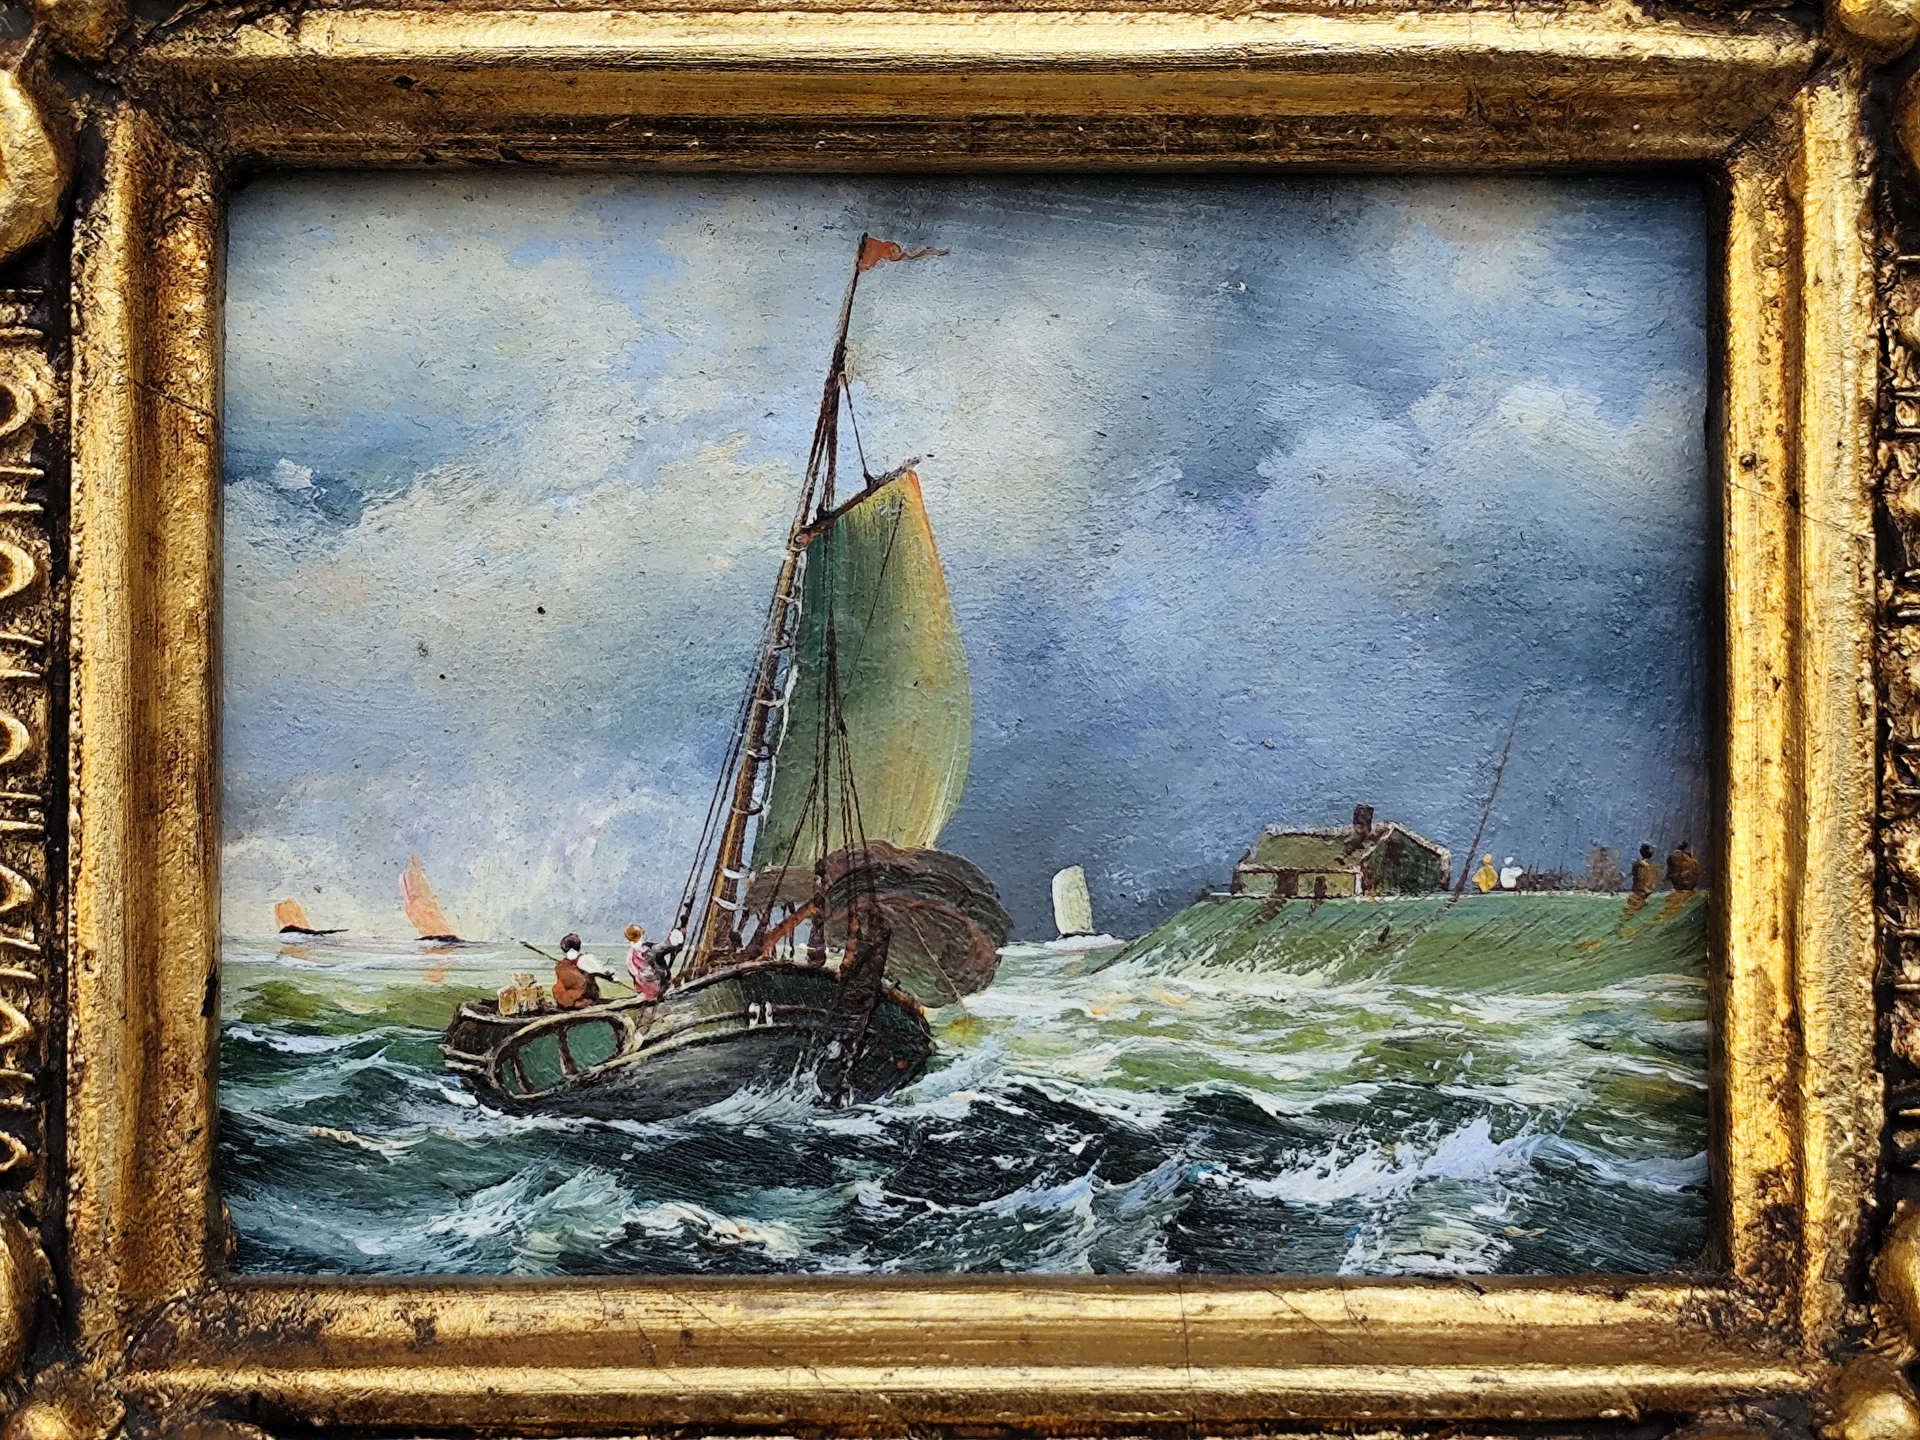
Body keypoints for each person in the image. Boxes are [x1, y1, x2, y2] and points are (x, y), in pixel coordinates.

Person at [552, 931, 608, 1010]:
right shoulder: (585, 959)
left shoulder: (560, 965)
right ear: (578, 946)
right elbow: (602, 971)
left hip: (563, 1001)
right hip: (582, 999)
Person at [626, 923, 670, 1001]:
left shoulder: (632, 952)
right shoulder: (644, 948)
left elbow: (630, 966)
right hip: (648, 976)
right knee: (654, 988)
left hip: (641, 976)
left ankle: (648, 996)